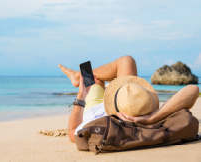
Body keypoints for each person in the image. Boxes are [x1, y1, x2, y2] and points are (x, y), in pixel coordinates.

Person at [59, 55, 200, 143]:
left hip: (98, 106)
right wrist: (151, 118)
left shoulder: (98, 126)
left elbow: (72, 132)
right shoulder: (143, 111)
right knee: (127, 61)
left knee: (96, 83)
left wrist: (81, 95)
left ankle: (79, 77)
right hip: (125, 101)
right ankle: (79, 76)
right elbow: (194, 89)